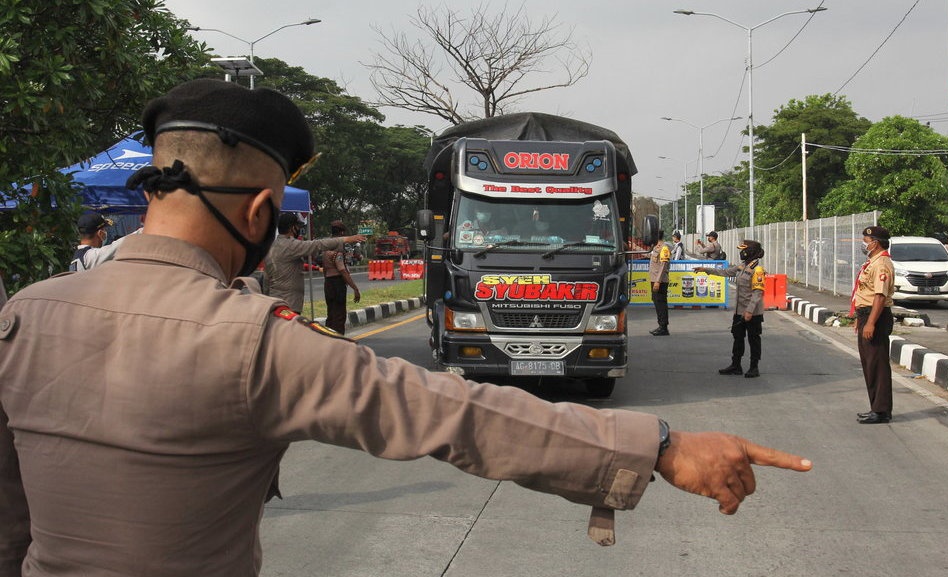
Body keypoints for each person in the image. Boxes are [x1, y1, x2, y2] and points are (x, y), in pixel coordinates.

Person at [0, 78, 811, 576]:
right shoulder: (251, 341)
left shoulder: (23, 314)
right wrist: (660, 445)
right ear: (259, 213)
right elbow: (454, 413)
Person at [264, 212, 365, 313]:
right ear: (292, 228)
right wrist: (346, 239)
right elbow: (317, 245)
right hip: (288, 304)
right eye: (298, 226)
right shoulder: (290, 245)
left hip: (274, 303)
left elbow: (266, 280)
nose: (299, 229)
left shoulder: (271, 247)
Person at [695, 240, 766, 378]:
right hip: (739, 311)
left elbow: (757, 293)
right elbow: (725, 272)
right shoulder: (742, 266)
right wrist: (706, 270)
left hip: (752, 313)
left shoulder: (757, 270)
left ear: (750, 251)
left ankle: (754, 367)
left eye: (744, 250)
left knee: (754, 339)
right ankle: (736, 365)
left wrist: (750, 311)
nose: (741, 252)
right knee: (738, 338)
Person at [850, 226, 896, 424]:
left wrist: (870, 322)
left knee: (877, 364)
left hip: (875, 316)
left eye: (866, 241)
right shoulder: (873, 262)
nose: (864, 244)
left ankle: (881, 410)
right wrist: (859, 318)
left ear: (875, 243)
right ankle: (876, 407)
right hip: (866, 314)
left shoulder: (882, 264)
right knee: (870, 364)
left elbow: (879, 296)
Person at [322, 220, 361, 334]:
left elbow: (324, 269)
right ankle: (338, 338)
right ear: (342, 233)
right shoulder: (338, 249)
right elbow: (343, 271)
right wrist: (355, 288)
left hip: (328, 282)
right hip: (337, 283)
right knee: (339, 315)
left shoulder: (326, 247)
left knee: (331, 313)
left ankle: (329, 337)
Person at [648, 230, 671, 336]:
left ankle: (663, 327)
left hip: (660, 280)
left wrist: (658, 281)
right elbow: (650, 256)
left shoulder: (664, 248)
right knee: (657, 301)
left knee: (661, 303)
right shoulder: (656, 247)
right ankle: (661, 325)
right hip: (654, 279)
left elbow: (663, 266)